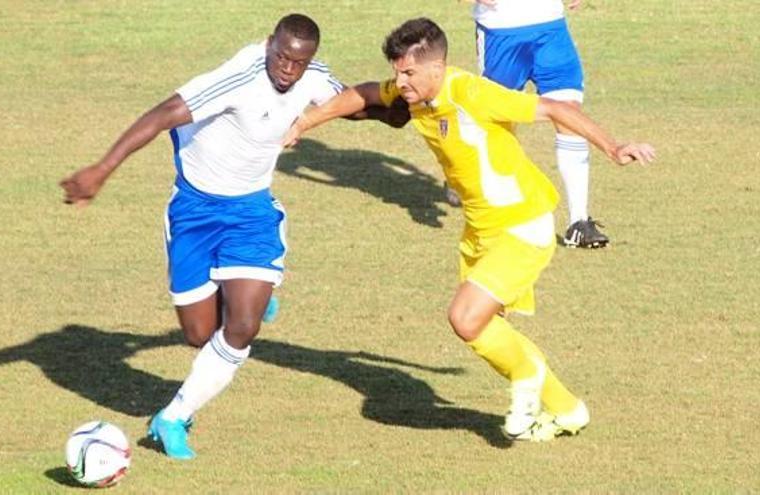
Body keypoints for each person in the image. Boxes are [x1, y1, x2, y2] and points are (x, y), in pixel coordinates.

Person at [283, 18, 655, 441]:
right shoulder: (416, 94)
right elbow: (363, 94)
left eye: (408, 73)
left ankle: (527, 380)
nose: (399, 83)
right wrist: (302, 124)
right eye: (397, 72)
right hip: (480, 232)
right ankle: (567, 409)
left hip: (522, 221)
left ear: (438, 68)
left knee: (465, 317)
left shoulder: (469, 92)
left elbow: (554, 108)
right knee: (483, 328)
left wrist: (613, 147)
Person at [60, 13, 407, 460]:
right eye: (280, 57)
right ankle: (240, 296)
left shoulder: (311, 78)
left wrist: (399, 106)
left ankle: (172, 418)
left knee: (242, 328)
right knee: (199, 334)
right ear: (268, 44)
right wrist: (101, 171)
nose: (287, 69)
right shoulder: (236, 79)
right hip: (193, 212)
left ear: (310, 61)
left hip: (251, 211)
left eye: (297, 63)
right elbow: (163, 114)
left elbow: (354, 106)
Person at [445, 0, 606, 248]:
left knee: (569, 113)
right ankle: (464, 174)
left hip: (551, 27)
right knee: (496, 117)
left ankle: (579, 222)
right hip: (501, 30)